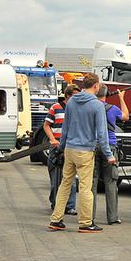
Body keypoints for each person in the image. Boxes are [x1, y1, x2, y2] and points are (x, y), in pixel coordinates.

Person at [49, 73, 116, 233]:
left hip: (70, 149)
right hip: (85, 151)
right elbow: (102, 133)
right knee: (86, 187)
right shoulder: (97, 105)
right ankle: (85, 222)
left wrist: (61, 148)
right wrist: (108, 154)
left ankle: (55, 219)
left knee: (65, 184)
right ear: (96, 86)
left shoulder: (71, 101)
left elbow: (65, 128)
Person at [91, 85, 129, 225]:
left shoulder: (91, 107)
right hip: (110, 146)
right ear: (106, 94)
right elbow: (126, 116)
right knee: (111, 182)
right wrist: (121, 98)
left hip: (93, 146)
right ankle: (112, 217)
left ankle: (89, 216)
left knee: (92, 182)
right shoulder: (112, 108)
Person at [44, 84, 80, 215]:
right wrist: (52, 139)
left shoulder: (78, 110)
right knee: (55, 178)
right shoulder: (56, 108)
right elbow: (47, 125)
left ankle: (70, 205)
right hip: (56, 147)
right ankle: (55, 202)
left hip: (70, 148)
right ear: (68, 96)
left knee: (71, 178)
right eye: (74, 96)